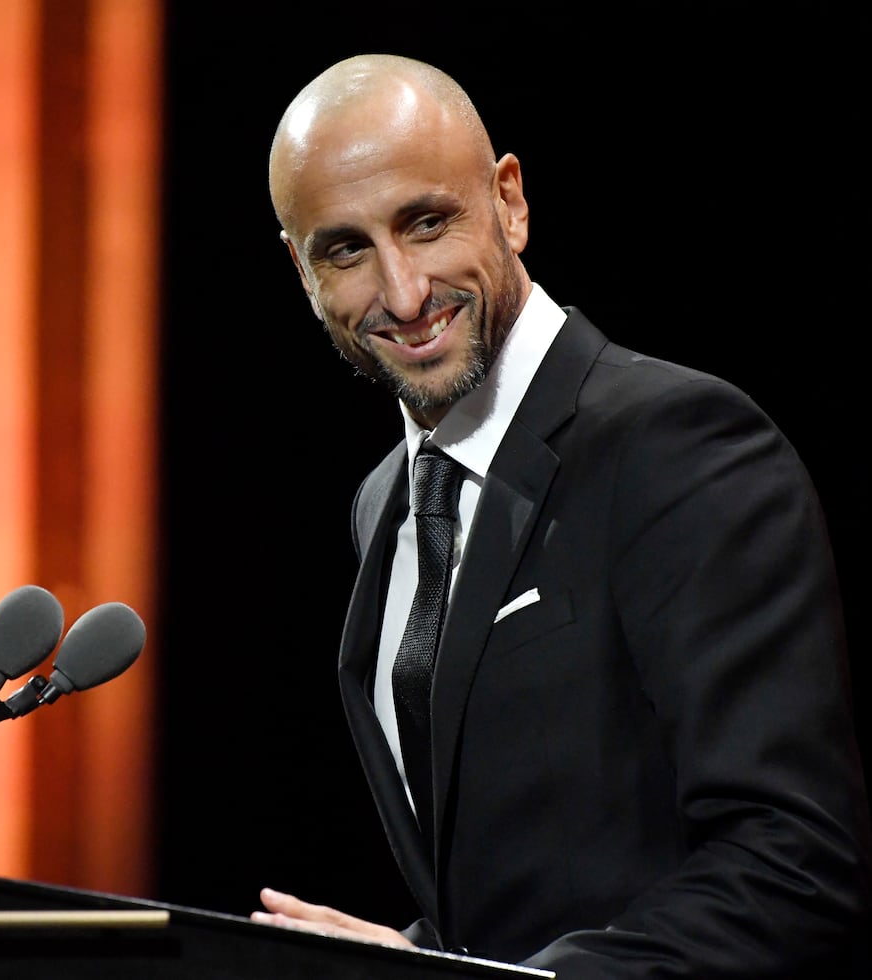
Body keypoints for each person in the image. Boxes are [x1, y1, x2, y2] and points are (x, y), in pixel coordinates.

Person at [250, 53, 872, 977]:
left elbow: (793, 865)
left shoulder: (678, 446)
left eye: (427, 223)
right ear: (303, 272)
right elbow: (522, 899)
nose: (405, 291)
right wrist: (414, 962)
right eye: (346, 249)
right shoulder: (385, 501)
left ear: (509, 201)